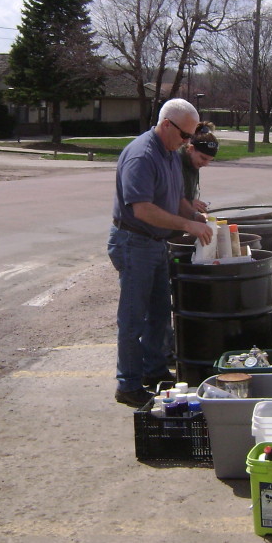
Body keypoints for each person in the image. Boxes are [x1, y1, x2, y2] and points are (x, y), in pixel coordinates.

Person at [108, 98, 213, 408]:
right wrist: (186, 224)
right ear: (167, 124)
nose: (187, 142)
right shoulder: (142, 156)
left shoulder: (170, 153)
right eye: (185, 135)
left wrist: (194, 217)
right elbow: (142, 209)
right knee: (133, 317)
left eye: (190, 137)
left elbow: (177, 198)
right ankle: (128, 384)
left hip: (155, 242)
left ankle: (153, 371)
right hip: (133, 241)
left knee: (159, 311)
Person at [180, 122, 219, 214]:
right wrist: (189, 204)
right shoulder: (175, 163)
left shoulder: (193, 164)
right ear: (191, 149)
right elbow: (165, 198)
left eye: (209, 160)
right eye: (203, 158)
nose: (205, 164)